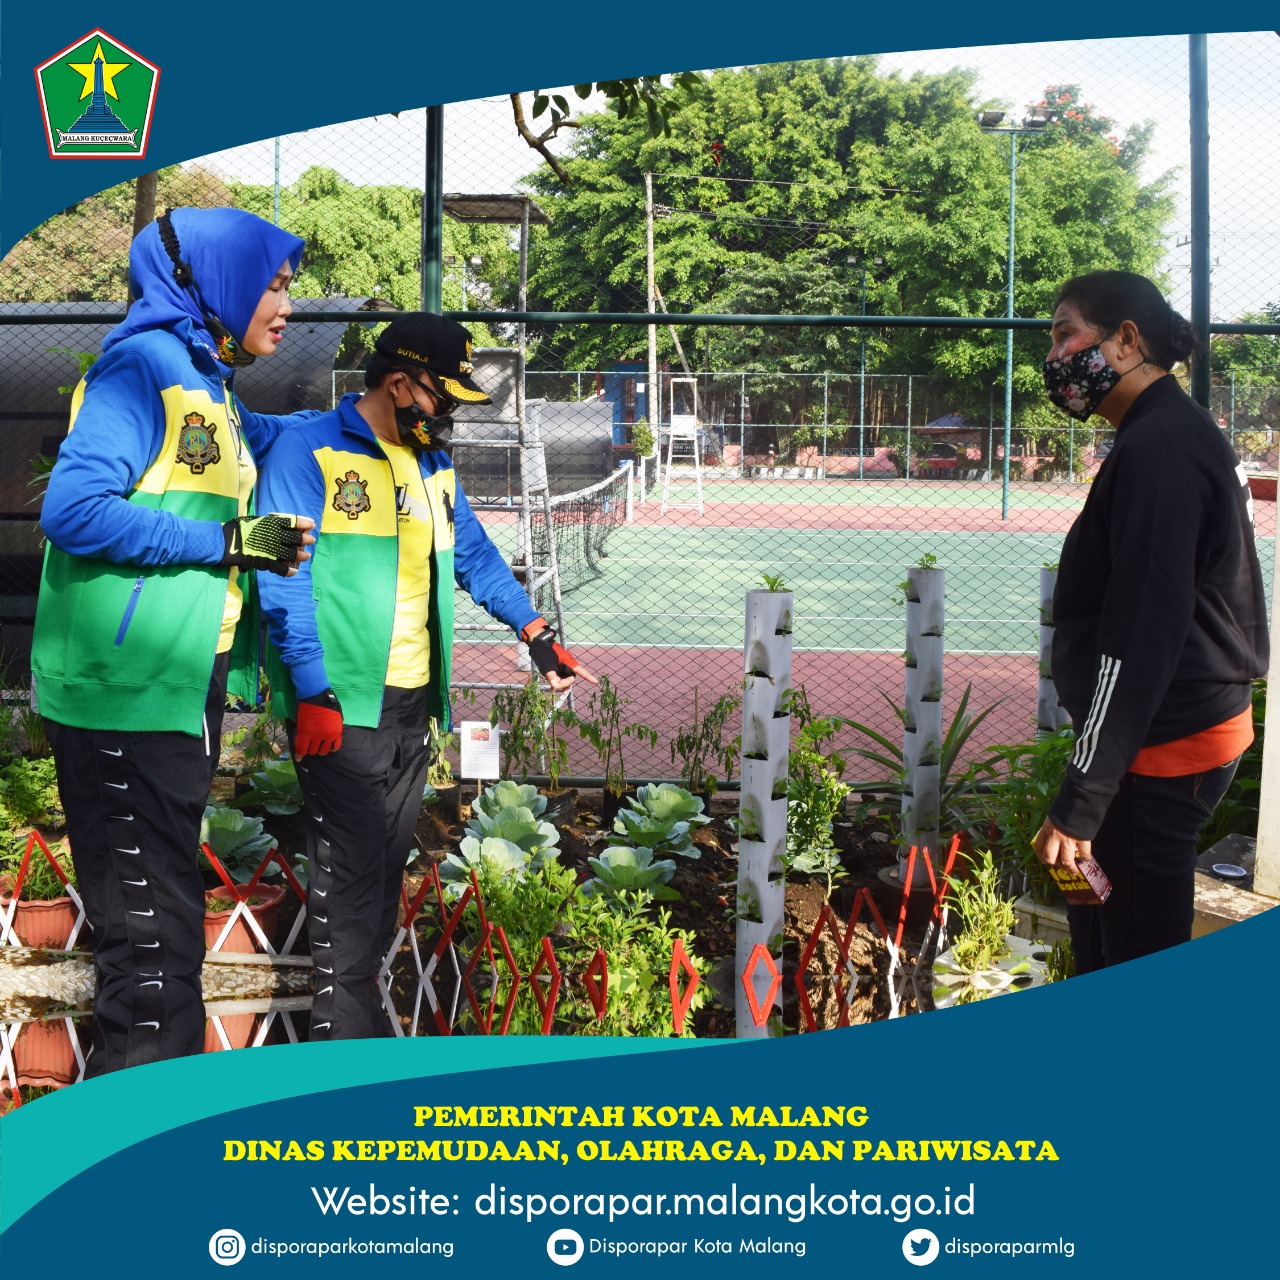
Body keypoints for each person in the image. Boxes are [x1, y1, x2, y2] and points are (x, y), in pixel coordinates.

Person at [255, 312, 596, 1040]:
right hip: (339, 708)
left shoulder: (433, 466)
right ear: (400, 382)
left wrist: (537, 634)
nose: (449, 416)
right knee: (344, 887)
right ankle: (334, 1060)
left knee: (381, 875)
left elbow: (473, 556)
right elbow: (279, 580)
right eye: (443, 397)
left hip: (413, 706)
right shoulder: (303, 449)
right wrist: (312, 691)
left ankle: (360, 1039)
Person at [32, 207, 317, 1075]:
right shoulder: (139, 368)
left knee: (163, 945)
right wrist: (228, 541)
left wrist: (364, 417)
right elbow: (73, 509)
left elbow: (234, 465)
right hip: (122, 693)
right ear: (210, 278)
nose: (286, 305)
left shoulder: (208, 384)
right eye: (271, 282)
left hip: (177, 688)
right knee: (150, 961)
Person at [1032, 270, 1269, 972]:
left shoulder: (1159, 451)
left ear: (1126, 340)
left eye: (1065, 334)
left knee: (1134, 944)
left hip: (1165, 743)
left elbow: (1138, 642)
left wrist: (1084, 797)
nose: (1054, 357)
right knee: (1108, 920)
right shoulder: (1167, 431)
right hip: (1172, 731)